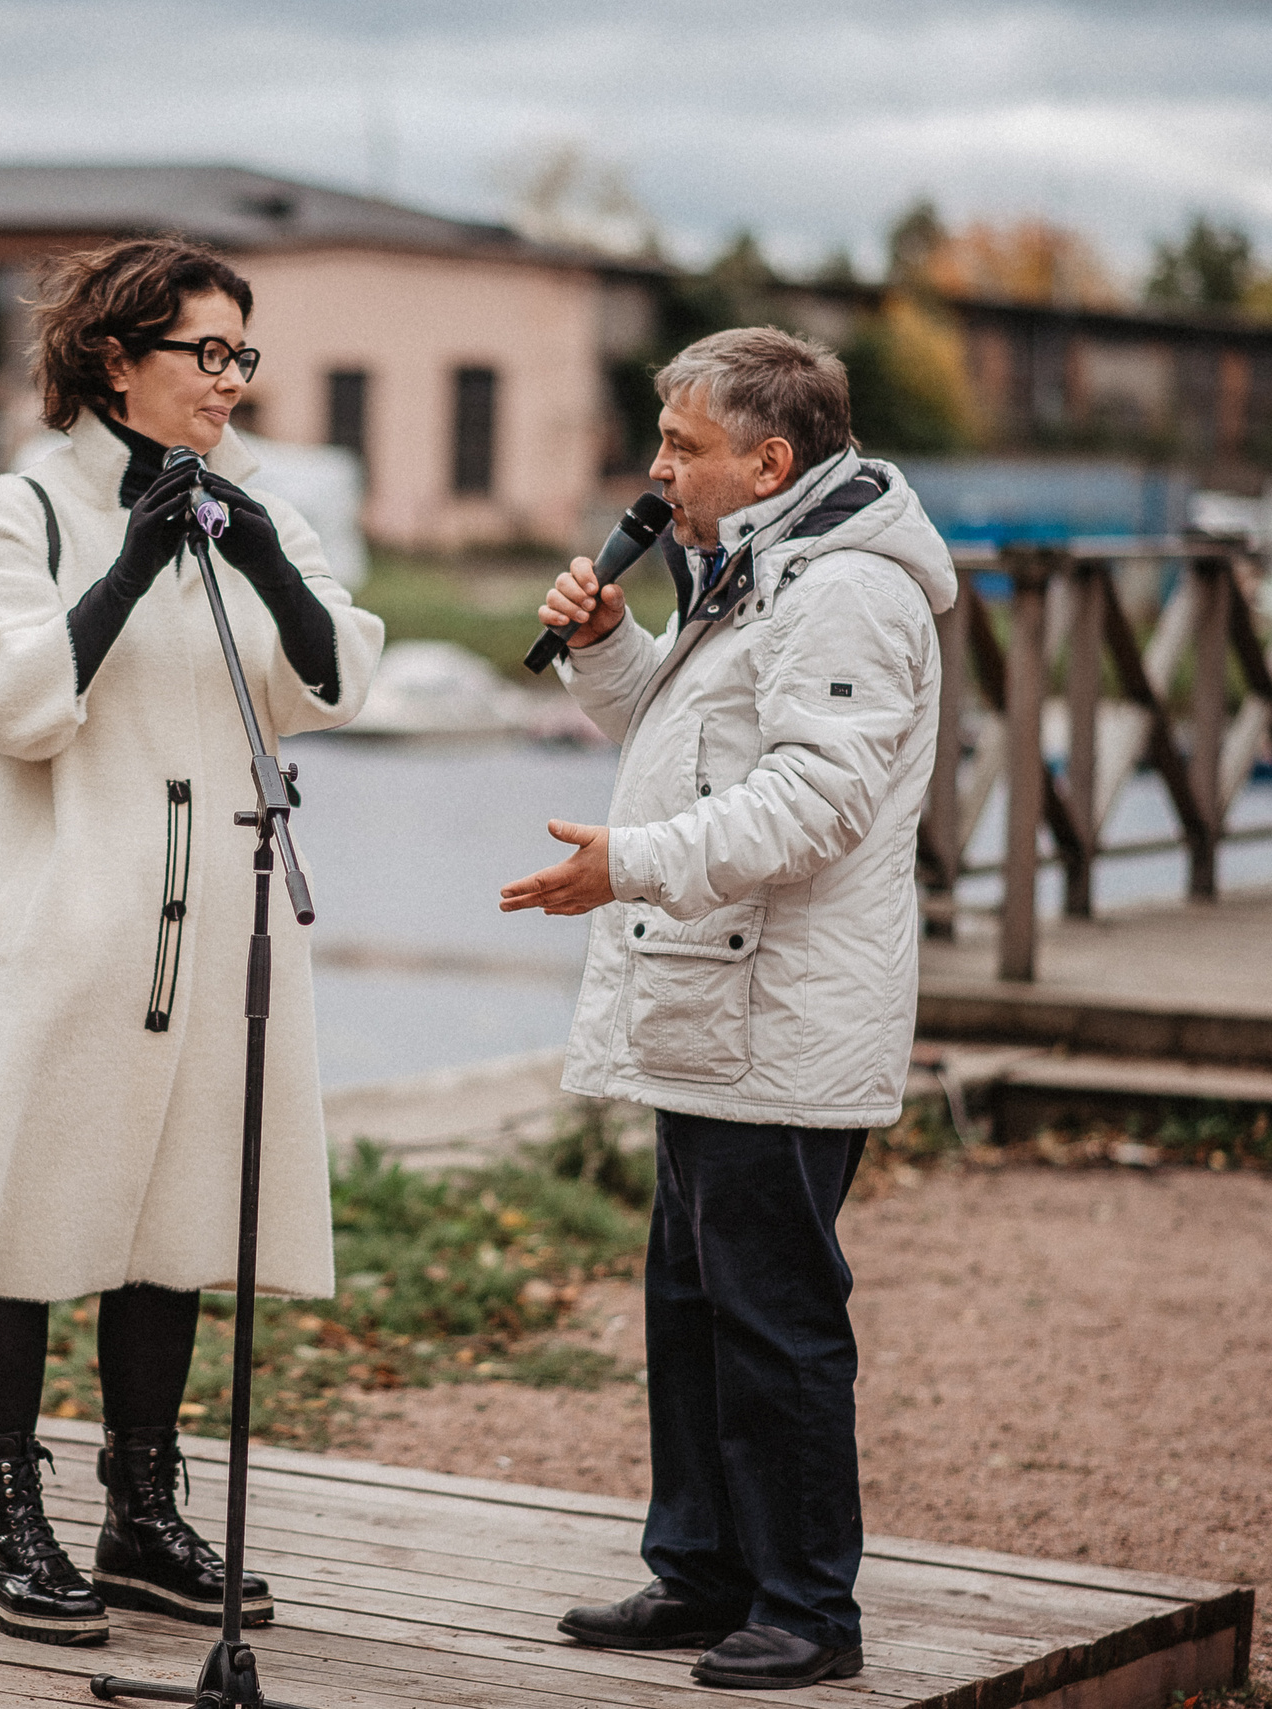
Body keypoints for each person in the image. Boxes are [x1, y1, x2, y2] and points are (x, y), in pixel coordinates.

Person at [0, 237, 383, 1647]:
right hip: (62, 915)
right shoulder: (25, 509)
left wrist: (255, 551)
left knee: (177, 1202)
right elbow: (7, 696)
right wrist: (130, 564)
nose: (232, 380)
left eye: (246, 355)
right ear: (117, 358)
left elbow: (337, 674)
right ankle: (5, 1514)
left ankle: (140, 1502)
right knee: (13, 1199)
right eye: (209, 352)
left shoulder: (257, 507)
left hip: (217, 912)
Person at [499, 327, 956, 1690]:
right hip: (721, 1002)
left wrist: (626, 865)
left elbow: (815, 804)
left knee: (775, 1316)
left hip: (783, 1009)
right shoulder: (765, 572)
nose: (658, 468)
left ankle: (809, 1608)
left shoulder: (845, 595)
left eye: (684, 445)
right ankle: (700, 1571)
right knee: (694, 1300)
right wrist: (610, 644)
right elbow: (684, 738)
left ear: (770, 459)